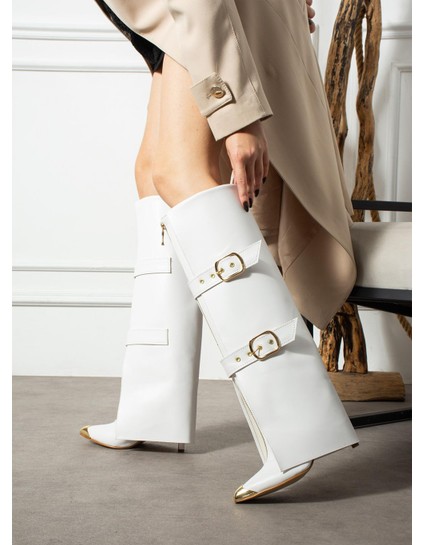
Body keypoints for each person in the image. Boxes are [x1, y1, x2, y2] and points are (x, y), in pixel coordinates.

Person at [80, 0, 359, 502]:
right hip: (173, 20)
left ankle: (300, 422)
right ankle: (152, 408)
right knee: (152, 174)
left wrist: (237, 118)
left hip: (200, 13)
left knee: (180, 173)